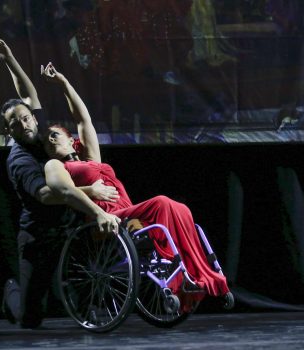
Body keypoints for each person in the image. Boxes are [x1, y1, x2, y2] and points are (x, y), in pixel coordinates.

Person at [40, 62, 231, 311]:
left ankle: (197, 274)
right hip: (109, 219)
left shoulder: (91, 160)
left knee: (180, 208)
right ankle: (180, 275)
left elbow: (83, 119)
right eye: (46, 140)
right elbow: (62, 191)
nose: (51, 139)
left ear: (71, 140)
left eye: (55, 134)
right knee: (162, 202)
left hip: (130, 214)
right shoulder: (57, 165)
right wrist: (92, 193)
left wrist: (64, 83)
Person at [0, 36, 121, 328]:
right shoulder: (19, 159)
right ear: (9, 131)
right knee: (30, 318)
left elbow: (28, 93)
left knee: (84, 268)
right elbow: (47, 195)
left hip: (69, 224)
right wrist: (90, 190)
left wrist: (9, 58)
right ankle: (12, 292)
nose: (24, 123)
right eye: (16, 123)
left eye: (26, 117)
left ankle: (87, 307)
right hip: (39, 236)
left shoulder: (43, 136)